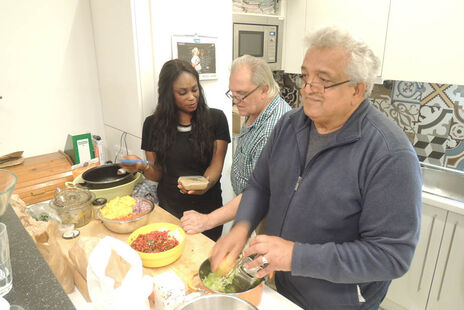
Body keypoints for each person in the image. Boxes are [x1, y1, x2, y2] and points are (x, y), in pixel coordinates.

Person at [210, 25, 422, 310]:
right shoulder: (289, 125)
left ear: (357, 89)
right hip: (280, 285)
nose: (308, 89)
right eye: (306, 76)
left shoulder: (389, 154)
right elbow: (261, 185)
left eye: (323, 80)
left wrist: (295, 256)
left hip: (336, 302)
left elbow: (391, 256)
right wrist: (241, 226)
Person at [120, 59, 230, 241]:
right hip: (170, 210)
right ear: (168, 94)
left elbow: (216, 165)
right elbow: (157, 174)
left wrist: (204, 184)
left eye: (195, 90)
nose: (191, 97)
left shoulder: (216, 119)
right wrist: (142, 166)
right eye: (182, 92)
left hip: (207, 211)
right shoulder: (152, 125)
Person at [181, 55, 291, 236]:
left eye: (242, 95)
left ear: (264, 89)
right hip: (250, 204)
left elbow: (257, 193)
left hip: (267, 211)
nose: (235, 101)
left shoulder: (272, 130)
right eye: (233, 94)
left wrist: (207, 220)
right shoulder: (256, 106)